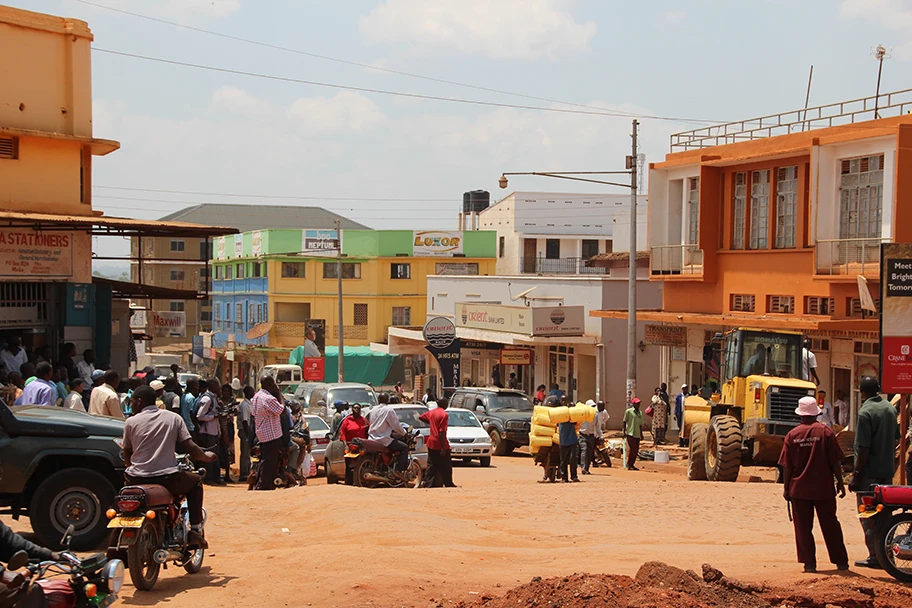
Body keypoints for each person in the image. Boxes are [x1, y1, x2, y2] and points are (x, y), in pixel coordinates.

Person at [122, 385, 216, 549]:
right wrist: (205, 457)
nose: (131, 406)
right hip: (167, 478)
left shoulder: (130, 422)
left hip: (135, 478)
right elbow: (190, 446)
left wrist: (132, 469)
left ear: (139, 401)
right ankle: (195, 530)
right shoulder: (173, 418)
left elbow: (127, 453)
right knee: (196, 482)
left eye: (132, 402)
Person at [779, 396, 849, 573]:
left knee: (803, 528)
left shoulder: (792, 435)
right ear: (816, 414)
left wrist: (786, 488)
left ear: (800, 414)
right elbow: (835, 462)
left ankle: (809, 563)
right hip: (823, 488)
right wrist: (840, 483)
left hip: (799, 489)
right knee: (831, 525)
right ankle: (841, 562)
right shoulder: (826, 433)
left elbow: (787, 466)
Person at [849, 376, 901, 569]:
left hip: (868, 475)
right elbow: (896, 438)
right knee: (885, 517)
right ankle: (886, 555)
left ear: (862, 392)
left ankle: (874, 556)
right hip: (886, 472)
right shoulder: (889, 408)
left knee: (868, 516)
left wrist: (856, 473)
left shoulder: (865, 412)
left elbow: (863, 447)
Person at [251, 376, 286, 490]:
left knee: (264, 459)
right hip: (271, 434)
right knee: (269, 461)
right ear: (271, 384)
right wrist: (279, 394)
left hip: (261, 432)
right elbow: (282, 410)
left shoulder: (257, 396)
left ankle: (260, 482)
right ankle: (263, 484)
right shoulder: (269, 399)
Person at [368, 391, 408, 473]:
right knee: (404, 447)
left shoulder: (373, 410)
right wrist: (405, 434)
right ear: (388, 400)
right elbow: (396, 426)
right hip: (383, 440)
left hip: (371, 439)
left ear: (378, 400)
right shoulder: (388, 410)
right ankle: (399, 471)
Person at [419, 396, 455, 488]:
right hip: (440, 443)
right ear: (444, 404)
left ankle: (427, 484)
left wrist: (431, 422)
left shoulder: (432, 412)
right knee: (446, 466)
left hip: (431, 442)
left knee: (431, 465)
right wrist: (443, 447)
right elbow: (442, 432)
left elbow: (421, 417)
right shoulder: (444, 415)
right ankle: (448, 483)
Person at [195, 379, 224, 486]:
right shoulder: (207, 399)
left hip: (214, 430)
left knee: (216, 456)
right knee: (209, 456)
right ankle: (209, 478)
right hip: (208, 431)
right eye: (217, 384)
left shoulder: (214, 398)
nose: (219, 387)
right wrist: (214, 416)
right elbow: (200, 416)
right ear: (212, 385)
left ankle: (216, 477)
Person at [339, 402, 368, 485]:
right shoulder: (347, 420)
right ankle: (349, 482)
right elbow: (342, 433)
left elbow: (368, 431)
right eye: (355, 408)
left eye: (358, 408)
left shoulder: (364, 420)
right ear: (352, 409)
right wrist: (345, 446)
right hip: (350, 446)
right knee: (348, 465)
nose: (356, 410)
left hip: (361, 446)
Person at [218, 383, 237, 484]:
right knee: (221, 450)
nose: (225, 393)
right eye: (223, 391)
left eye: (227, 391)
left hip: (229, 427)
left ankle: (227, 474)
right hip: (221, 428)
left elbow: (237, 412)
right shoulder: (219, 401)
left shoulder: (233, 401)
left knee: (229, 451)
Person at [557, 403, 580, 483]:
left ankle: (574, 476)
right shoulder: (561, 415)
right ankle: (564, 477)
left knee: (573, 459)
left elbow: (576, 422)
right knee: (564, 460)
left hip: (572, 439)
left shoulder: (573, 417)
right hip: (563, 440)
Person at [623, 398, 645, 471]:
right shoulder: (628, 412)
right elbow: (624, 422)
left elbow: (640, 424)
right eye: (637, 403)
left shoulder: (640, 413)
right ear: (633, 404)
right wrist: (624, 432)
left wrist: (641, 434)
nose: (638, 405)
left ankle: (632, 464)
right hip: (630, 433)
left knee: (636, 450)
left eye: (639, 403)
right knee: (632, 449)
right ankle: (629, 463)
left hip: (637, 433)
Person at [237, 385, 253, 481]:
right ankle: (243, 473)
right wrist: (249, 435)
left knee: (248, 453)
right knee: (245, 453)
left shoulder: (249, 404)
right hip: (245, 431)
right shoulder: (245, 405)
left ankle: (247, 471)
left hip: (248, 430)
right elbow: (245, 421)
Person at [578, 399, 597, 475]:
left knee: (589, 453)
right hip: (583, 434)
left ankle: (587, 469)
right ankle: (583, 467)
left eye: (593, 406)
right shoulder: (582, 415)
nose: (593, 408)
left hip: (591, 435)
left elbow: (597, 426)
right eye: (591, 406)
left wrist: (599, 435)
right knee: (584, 450)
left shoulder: (595, 415)